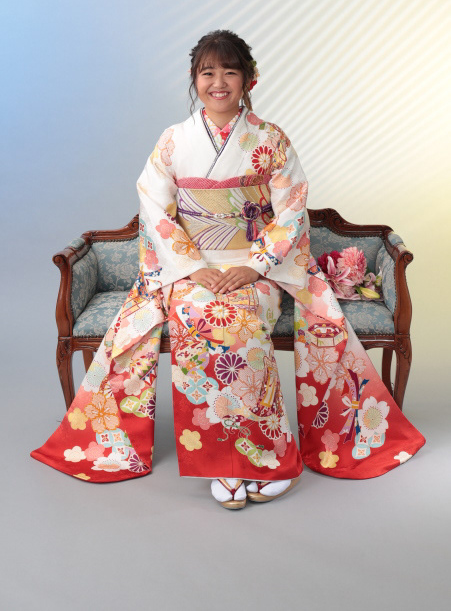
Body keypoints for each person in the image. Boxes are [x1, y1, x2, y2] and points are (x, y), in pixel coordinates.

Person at [31, 30, 426, 509]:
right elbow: (154, 207)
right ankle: (227, 462)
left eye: (230, 71)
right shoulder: (174, 141)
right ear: (194, 78)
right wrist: (191, 267)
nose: (218, 82)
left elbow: (292, 210)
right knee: (199, 317)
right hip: (189, 269)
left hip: (258, 268)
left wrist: (256, 267)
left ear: (249, 79)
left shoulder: (270, 140)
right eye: (208, 72)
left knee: (237, 320)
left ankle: (263, 458)